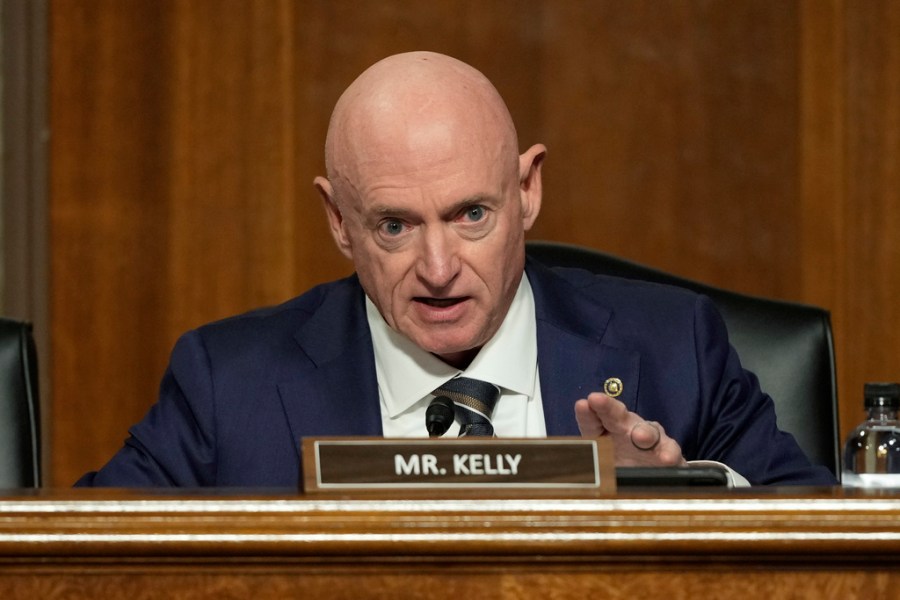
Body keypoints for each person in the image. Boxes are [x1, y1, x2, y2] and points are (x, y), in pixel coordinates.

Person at [77, 51, 836, 488]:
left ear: (527, 190)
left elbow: (828, 551)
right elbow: (78, 564)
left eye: (471, 214)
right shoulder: (228, 384)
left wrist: (685, 506)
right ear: (339, 221)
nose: (438, 269)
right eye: (395, 226)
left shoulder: (675, 349)